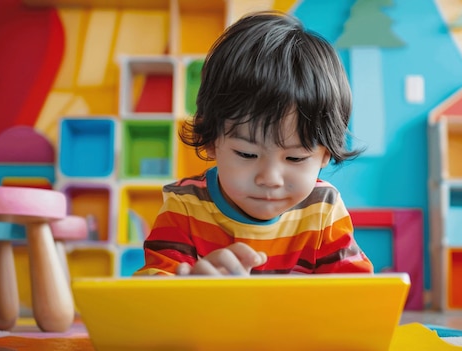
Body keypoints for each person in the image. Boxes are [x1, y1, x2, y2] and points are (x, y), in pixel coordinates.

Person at [134, 10, 373, 276]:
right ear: (212, 141)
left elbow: (357, 295)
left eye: (295, 158)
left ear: (325, 154)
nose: (270, 179)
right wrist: (190, 291)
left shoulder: (323, 210)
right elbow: (151, 291)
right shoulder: (186, 206)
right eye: (247, 154)